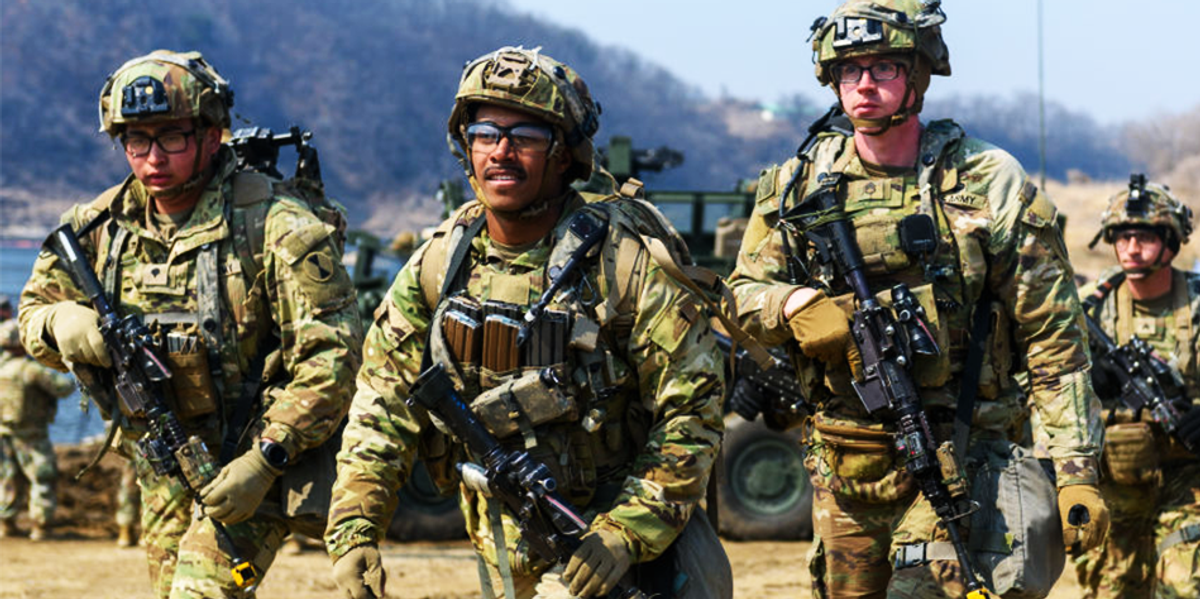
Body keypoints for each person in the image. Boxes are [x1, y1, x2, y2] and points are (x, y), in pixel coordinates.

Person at [728, 1, 1108, 597]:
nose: (864, 85)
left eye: (883, 67)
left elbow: (1053, 338)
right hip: (846, 465)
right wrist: (794, 304)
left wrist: (1076, 470)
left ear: (919, 75)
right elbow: (741, 294)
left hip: (965, 455)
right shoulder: (794, 185)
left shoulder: (987, 181)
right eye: (849, 70)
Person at [325, 46, 730, 599]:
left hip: (627, 549)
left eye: (526, 136)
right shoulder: (441, 263)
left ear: (564, 154)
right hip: (505, 546)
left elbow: (694, 410)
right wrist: (355, 527)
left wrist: (624, 533)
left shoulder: (623, 263)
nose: (501, 152)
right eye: (485, 134)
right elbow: (382, 404)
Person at [18, 50, 361, 598]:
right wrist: (58, 322)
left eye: (172, 137)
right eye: (137, 141)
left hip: (253, 459)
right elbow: (32, 312)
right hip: (160, 465)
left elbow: (334, 357)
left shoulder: (277, 225)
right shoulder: (96, 228)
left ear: (212, 135)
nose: (153, 157)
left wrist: (265, 458)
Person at [1075, 176, 1200, 598]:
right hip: (1114, 479)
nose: (1131, 248)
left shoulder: (1196, 304)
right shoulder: (1090, 307)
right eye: (1122, 237)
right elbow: (1037, 380)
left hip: (1188, 477)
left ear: (1171, 242)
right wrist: (1087, 379)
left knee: (1184, 585)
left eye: (1144, 237)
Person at [0, 319, 75, 540]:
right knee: (42, 477)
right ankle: (40, 525)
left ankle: (6, 523)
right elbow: (64, 387)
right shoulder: (30, 370)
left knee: (7, 478)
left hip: (4, 432)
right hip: (31, 435)